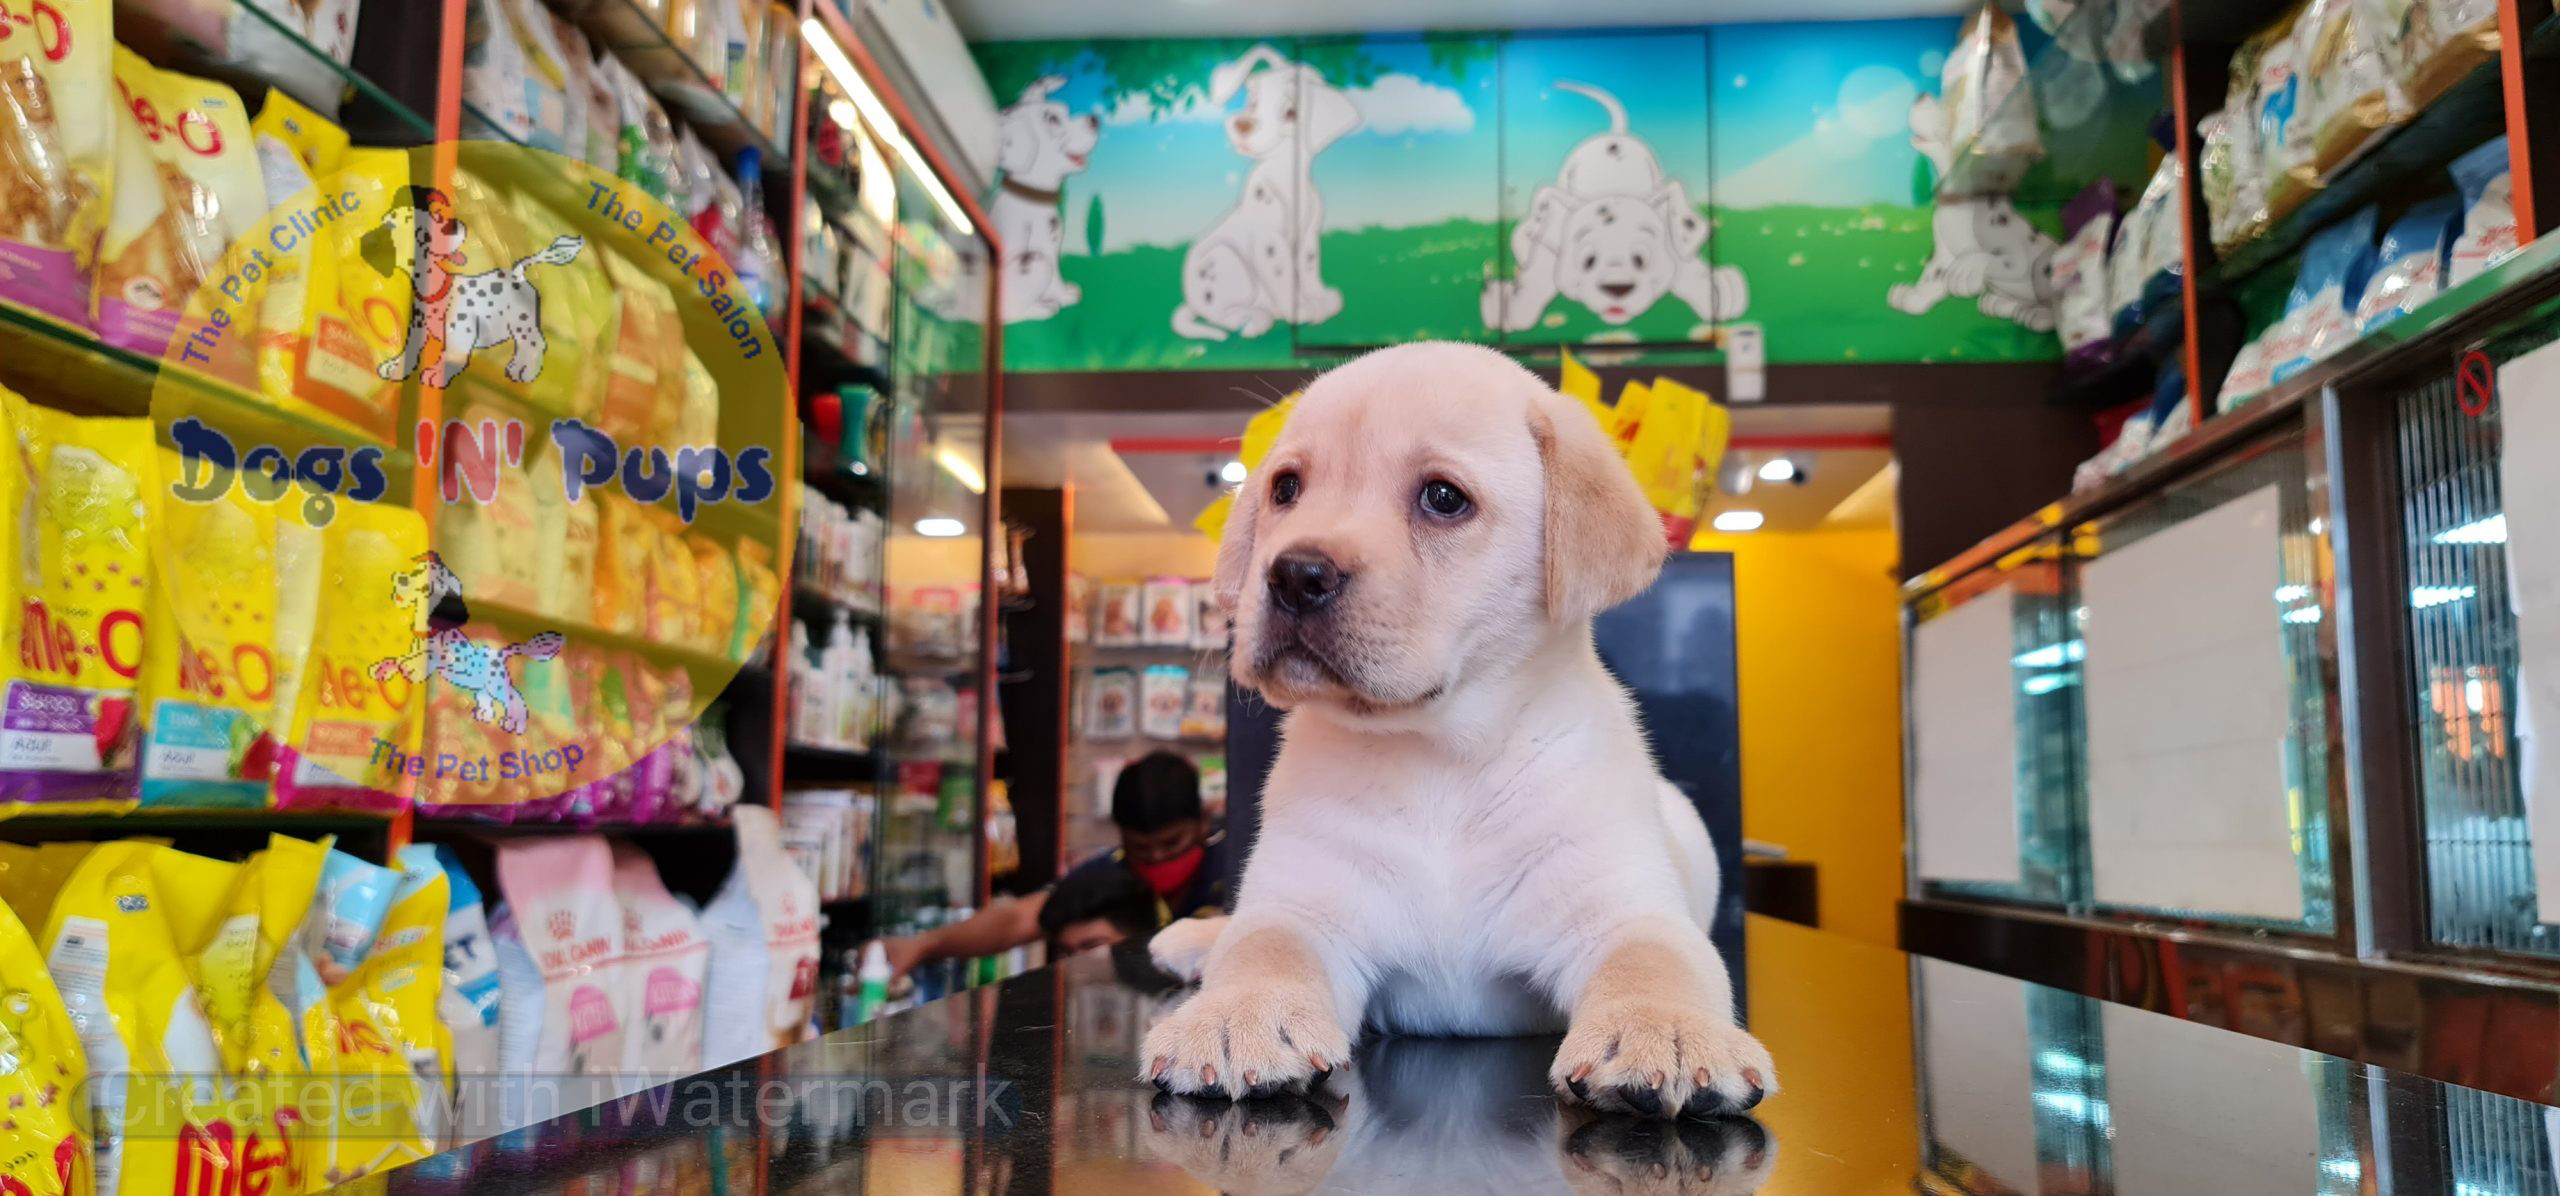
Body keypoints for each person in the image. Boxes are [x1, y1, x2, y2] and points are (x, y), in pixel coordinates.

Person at [877, 751, 1231, 979]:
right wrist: (926, 944)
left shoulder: (1238, 867)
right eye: (1141, 847)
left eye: (1172, 844)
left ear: (1203, 822)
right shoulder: (1111, 875)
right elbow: (1020, 918)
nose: (1156, 858)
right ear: (1121, 837)